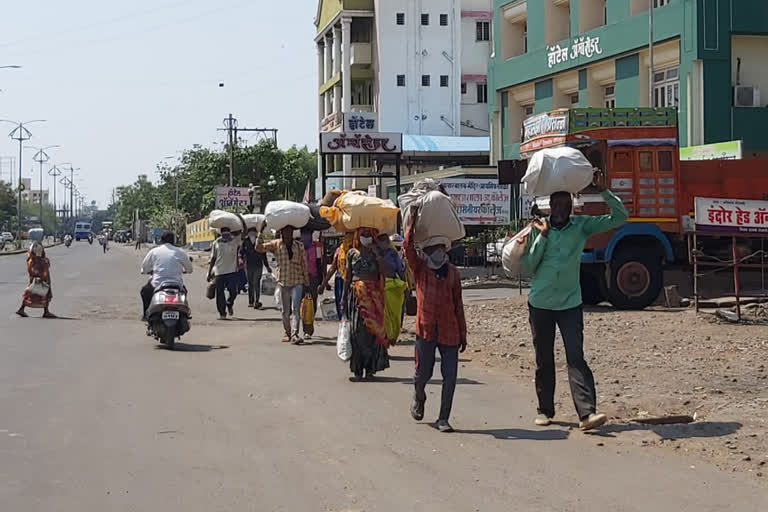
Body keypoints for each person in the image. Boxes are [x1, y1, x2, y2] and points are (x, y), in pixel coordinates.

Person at [521, 172, 628, 431]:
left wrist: (604, 191)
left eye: (565, 205)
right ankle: (545, 410)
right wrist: (543, 238)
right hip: (541, 304)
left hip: (570, 303)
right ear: (550, 207)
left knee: (575, 357)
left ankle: (587, 413)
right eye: (556, 205)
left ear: (571, 207)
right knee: (544, 359)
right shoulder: (538, 228)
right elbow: (528, 266)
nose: (560, 209)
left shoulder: (581, 227)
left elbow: (620, 217)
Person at [404, 208, 467, 433]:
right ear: (427, 251)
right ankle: (418, 395)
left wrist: (463, 333)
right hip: (425, 330)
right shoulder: (420, 270)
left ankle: (443, 418)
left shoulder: (453, 273)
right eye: (434, 248)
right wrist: (412, 220)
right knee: (423, 374)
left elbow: (458, 304)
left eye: (441, 248)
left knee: (450, 377)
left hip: (449, 330)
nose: (438, 252)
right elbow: (408, 249)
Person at [342, 227, 390, 381]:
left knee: (372, 332)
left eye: (369, 235)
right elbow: (348, 276)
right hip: (357, 296)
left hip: (374, 298)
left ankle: (370, 368)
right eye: (364, 234)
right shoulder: (351, 253)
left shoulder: (378, 254)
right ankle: (357, 368)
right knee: (356, 331)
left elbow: (384, 272)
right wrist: (343, 297)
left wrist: (377, 255)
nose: (366, 237)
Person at [257, 224, 310, 344]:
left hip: (297, 280)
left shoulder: (299, 246)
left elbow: (304, 264)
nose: (287, 235)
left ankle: (295, 334)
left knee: (296, 309)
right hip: (283, 282)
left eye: (289, 232)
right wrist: (261, 231)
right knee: (285, 311)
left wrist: (307, 282)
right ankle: (287, 332)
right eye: (285, 232)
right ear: (281, 233)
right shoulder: (276, 244)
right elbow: (259, 248)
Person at [140, 232, 193, 319]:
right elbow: (189, 269)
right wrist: (184, 270)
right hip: (176, 285)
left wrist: (147, 271)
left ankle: (146, 315)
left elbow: (144, 268)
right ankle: (184, 315)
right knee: (184, 292)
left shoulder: (154, 251)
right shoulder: (181, 252)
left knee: (144, 292)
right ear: (174, 240)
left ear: (161, 240)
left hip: (157, 284)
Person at [377, 233, 407, 345]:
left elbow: (400, 270)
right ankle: (383, 337)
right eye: (381, 241)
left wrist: (406, 285)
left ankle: (392, 336)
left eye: (385, 241)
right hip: (379, 286)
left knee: (395, 315)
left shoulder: (393, 254)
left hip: (393, 287)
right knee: (383, 315)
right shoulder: (375, 254)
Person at [318, 232, 354, 321]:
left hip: (352, 282)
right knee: (341, 305)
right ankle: (343, 326)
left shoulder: (356, 250)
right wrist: (323, 284)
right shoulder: (339, 250)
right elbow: (333, 267)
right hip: (340, 280)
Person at [207, 227, 242, 320]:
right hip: (219, 271)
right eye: (224, 233)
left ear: (230, 232)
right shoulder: (216, 243)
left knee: (234, 291)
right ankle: (222, 313)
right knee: (220, 293)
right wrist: (209, 272)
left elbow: (244, 232)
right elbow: (213, 258)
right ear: (221, 233)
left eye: (227, 232)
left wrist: (240, 221)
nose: (225, 235)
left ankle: (229, 303)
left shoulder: (235, 241)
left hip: (232, 271)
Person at [16, 242, 56, 318]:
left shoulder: (31, 260)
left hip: (34, 279)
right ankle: (46, 311)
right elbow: (44, 269)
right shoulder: (41, 261)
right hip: (42, 279)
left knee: (29, 294)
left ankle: (22, 309)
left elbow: (31, 269)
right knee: (45, 293)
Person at [241, 227, 272, 308]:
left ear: (256, 232)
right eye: (250, 232)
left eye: (253, 232)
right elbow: (241, 252)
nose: (252, 233)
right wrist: (240, 259)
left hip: (258, 265)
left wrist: (267, 266)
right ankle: (251, 301)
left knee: (256, 283)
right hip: (248, 265)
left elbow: (263, 254)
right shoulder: (245, 241)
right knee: (250, 283)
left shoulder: (260, 241)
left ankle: (256, 301)